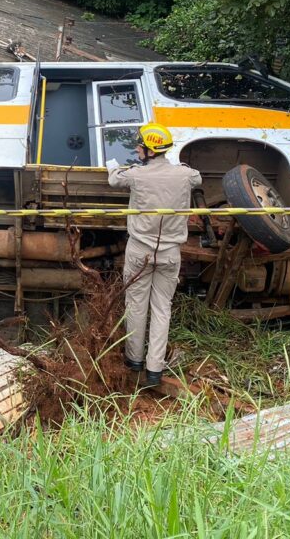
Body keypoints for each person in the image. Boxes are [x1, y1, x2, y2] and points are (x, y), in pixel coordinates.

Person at [107, 123, 201, 387]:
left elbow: (114, 179)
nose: (137, 149)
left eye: (140, 146)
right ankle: (155, 369)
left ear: (149, 150)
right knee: (162, 309)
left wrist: (112, 163)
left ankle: (133, 360)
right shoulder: (184, 175)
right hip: (170, 253)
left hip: (140, 251)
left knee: (136, 305)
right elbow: (198, 178)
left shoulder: (136, 175)